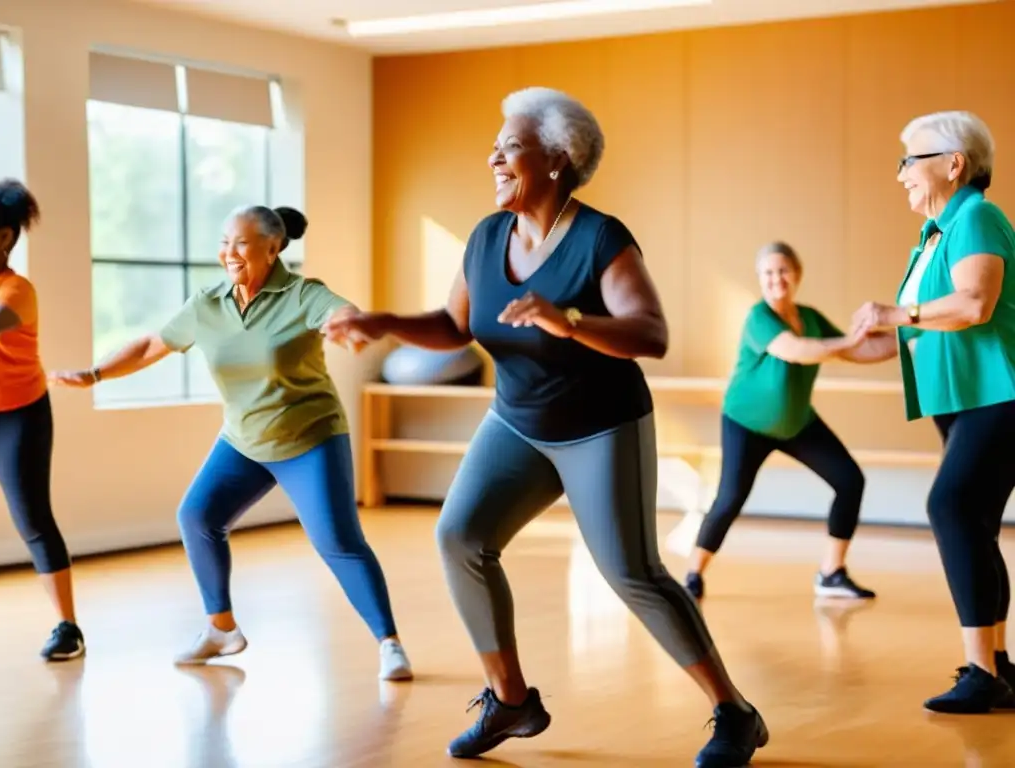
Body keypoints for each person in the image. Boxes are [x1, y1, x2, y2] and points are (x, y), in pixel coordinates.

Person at [325, 86, 767, 768]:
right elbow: (453, 325)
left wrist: (571, 321)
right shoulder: (486, 236)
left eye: (510, 145)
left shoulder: (599, 239)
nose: (494, 156)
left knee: (632, 571)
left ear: (557, 160)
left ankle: (735, 712)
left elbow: (651, 334)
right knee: (462, 536)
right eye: (495, 145)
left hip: (602, 425)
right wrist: (381, 322)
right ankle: (510, 701)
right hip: (518, 422)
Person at [51, 205, 413, 681]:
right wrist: (95, 373)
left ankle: (389, 643)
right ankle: (220, 628)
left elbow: (341, 312)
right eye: (225, 241)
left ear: (273, 246)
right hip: (244, 438)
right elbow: (149, 345)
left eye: (241, 243)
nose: (229, 252)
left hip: (310, 437)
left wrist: (349, 324)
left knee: (338, 541)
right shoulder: (209, 303)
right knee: (198, 515)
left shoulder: (303, 294)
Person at [850, 110, 1015, 714]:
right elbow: (918, 331)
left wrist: (896, 316)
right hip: (967, 399)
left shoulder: (977, 216)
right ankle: (997, 666)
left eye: (909, 161)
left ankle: (981, 672)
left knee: (951, 507)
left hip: (1000, 395)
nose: (900, 176)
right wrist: (843, 346)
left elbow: (974, 303)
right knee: (974, 524)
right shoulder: (935, 236)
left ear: (954, 164)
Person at [684, 242, 876, 602]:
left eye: (783, 270)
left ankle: (832, 573)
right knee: (730, 498)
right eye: (768, 272)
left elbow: (857, 350)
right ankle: (693, 574)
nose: (776, 278)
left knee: (850, 481)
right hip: (746, 423)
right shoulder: (759, 317)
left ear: (797, 274)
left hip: (796, 424)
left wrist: (913, 338)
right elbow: (797, 351)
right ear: (759, 279)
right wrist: (850, 338)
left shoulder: (811, 318)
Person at [0, 179, 86, 662]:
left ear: (4, 237)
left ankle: (67, 626)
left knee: (32, 520)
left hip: (16, 416)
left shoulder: (16, 290)